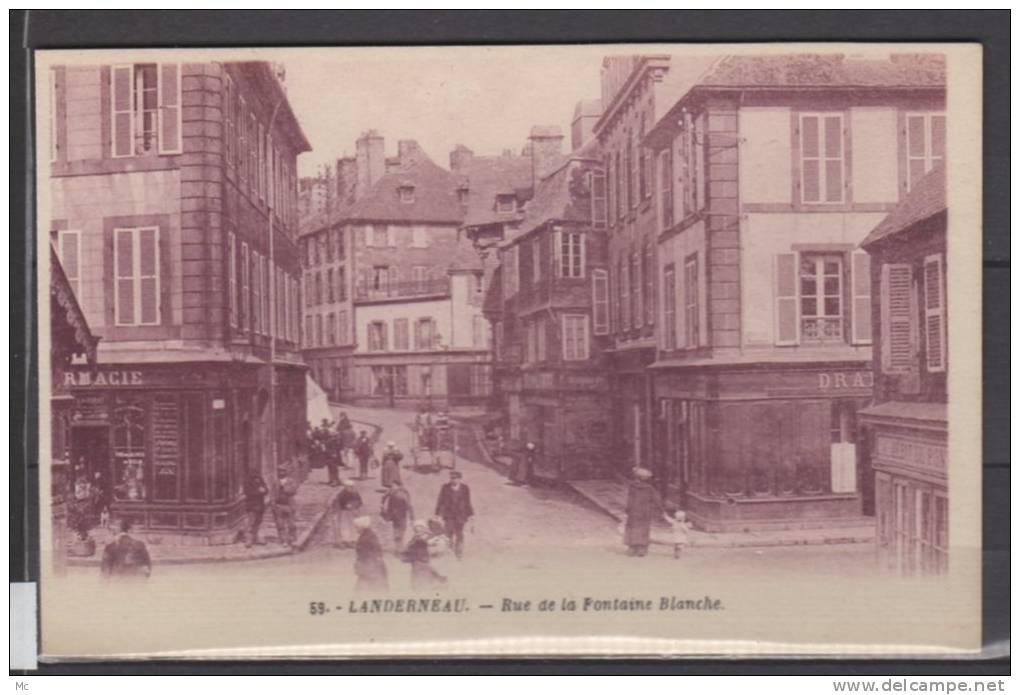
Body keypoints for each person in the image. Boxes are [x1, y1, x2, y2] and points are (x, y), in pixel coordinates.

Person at [623, 467, 669, 557]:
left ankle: (632, 548)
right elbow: (657, 500)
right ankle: (641, 549)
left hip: (634, 511)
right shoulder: (650, 488)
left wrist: (627, 510)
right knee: (643, 529)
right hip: (645, 512)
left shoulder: (632, 487)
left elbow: (630, 499)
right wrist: (662, 511)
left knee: (633, 528)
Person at [434, 471, 473, 558]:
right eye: (451, 478)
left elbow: (468, 502)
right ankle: (448, 550)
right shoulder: (445, 487)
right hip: (449, 515)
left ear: (459, 479)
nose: (453, 480)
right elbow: (440, 501)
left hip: (461, 515)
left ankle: (459, 552)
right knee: (448, 533)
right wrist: (437, 513)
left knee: (459, 534)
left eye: (455, 478)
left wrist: (471, 514)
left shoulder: (465, 488)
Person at [401, 520, 447, 589]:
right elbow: (410, 546)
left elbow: (434, 542)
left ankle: (438, 579)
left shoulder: (428, 535)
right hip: (417, 558)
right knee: (418, 573)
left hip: (423, 557)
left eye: (420, 527)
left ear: (424, 528)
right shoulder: (415, 537)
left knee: (428, 570)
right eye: (416, 527)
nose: (418, 528)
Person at [352, 516, 389, 593]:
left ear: (362, 527)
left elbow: (367, 553)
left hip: (370, 567)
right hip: (372, 566)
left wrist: (361, 564)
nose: (355, 529)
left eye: (356, 527)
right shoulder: (368, 535)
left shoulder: (367, 537)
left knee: (365, 589)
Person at [380, 480, 414, 548]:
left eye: (393, 485)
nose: (392, 487)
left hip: (400, 515)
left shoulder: (402, 493)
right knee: (398, 531)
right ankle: (399, 548)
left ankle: (399, 547)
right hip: (397, 515)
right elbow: (383, 497)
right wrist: (382, 505)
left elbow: (409, 505)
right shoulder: (394, 492)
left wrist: (412, 516)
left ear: (398, 486)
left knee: (399, 532)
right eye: (392, 486)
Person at [333, 479, 362, 548]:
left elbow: (360, 502)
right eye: (349, 487)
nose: (351, 488)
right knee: (345, 526)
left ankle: (353, 540)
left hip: (353, 512)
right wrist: (343, 507)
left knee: (353, 526)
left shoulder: (355, 493)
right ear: (345, 487)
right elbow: (338, 503)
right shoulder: (341, 494)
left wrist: (355, 505)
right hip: (344, 512)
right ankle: (345, 541)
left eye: (352, 487)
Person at [274, 467, 299, 548]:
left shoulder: (291, 481)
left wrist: (284, 487)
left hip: (289, 505)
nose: (281, 473)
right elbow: (272, 493)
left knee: (291, 524)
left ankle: (292, 538)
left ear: (286, 472)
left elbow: (293, 490)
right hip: (279, 505)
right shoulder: (275, 482)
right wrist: (273, 504)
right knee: (280, 524)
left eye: (283, 471)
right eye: (279, 471)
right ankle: (283, 540)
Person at [243, 470, 268, 547]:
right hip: (252, 506)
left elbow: (266, 489)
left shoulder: (260, 479)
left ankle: (256, 538)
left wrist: (264, 490)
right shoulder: (247, 482)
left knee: (258, 522)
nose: (256, 476)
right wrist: (259, 491)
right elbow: (248, 492)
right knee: (251, 523)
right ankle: (248, 540)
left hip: (260, 505)